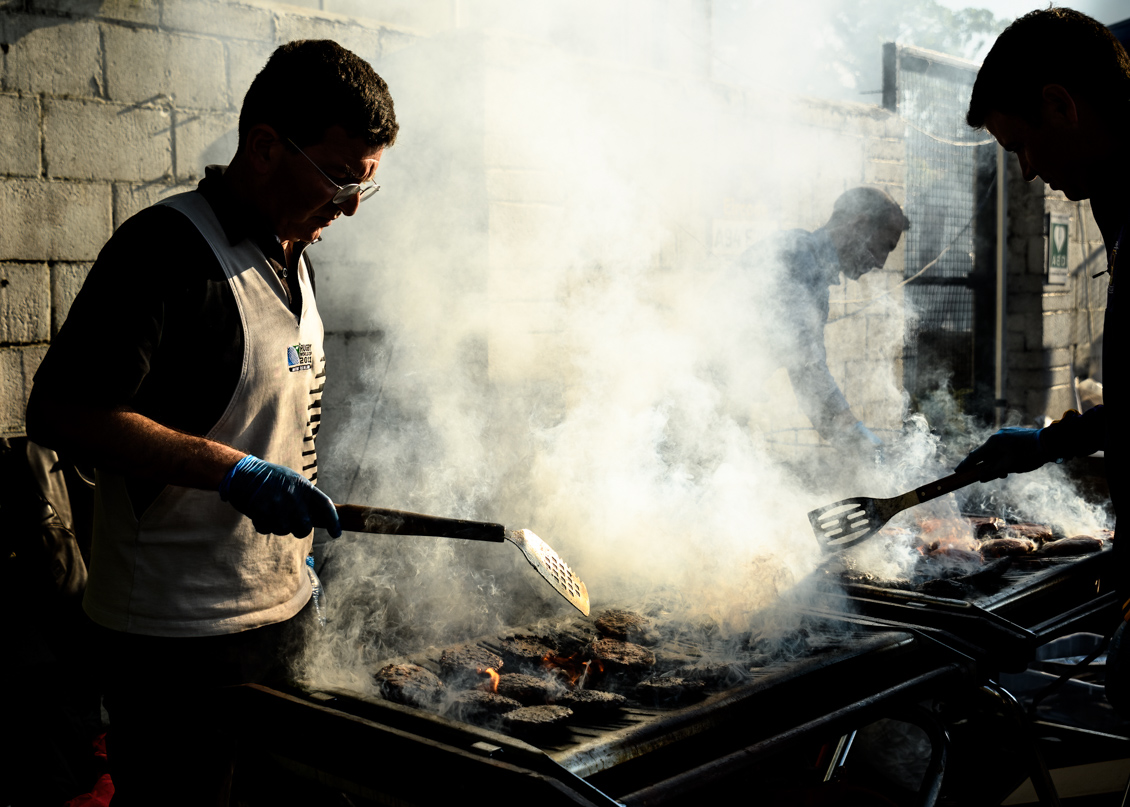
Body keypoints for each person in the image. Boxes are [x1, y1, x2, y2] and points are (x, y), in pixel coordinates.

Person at [25, 39, 398, 804]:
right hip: (175, 642)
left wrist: (299, 559)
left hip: (281, 614)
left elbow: (286, 417)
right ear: (264, 147)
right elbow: (61, 411)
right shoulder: (163, 251)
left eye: (365, 186)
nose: (351, 205)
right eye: (336, 177)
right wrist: (230, 470)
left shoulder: (297, 251)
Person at [953, 8, 1129, 710]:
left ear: (1061, 104)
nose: (1025, 171)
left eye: (1022, 144)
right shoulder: (1117, 200)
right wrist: (1058, 440)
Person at [737, 186, 909, 456]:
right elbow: (807, 367)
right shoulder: (796, 256)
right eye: (884, 246)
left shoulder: (810, 266)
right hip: (700, 400)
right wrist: (857, 440)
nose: (880, 263)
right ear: (860, 224)